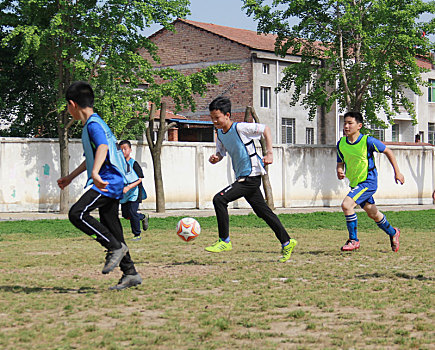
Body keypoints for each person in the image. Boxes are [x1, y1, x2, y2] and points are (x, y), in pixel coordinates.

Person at [57, 81, 142, 290]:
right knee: (111, 224)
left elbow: (103, 147)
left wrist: (95, 173)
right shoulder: (94, 124)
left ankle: (113, 247)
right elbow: (93, 156)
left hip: (109, 180)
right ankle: (130, 273)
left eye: (68, 108)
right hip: (111, 179)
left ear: (72, 104)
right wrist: (71, 177)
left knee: (77, 213)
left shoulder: (93, 124)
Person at [205, 96, 297, 262]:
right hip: (242, 175)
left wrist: (269, 152)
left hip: (251, 176)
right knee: (263, 212)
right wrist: (216, 157)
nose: (215, 121)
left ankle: (224, 240)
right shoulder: (219, 133)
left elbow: (265, 129)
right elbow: (221, 152)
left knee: (219, 199)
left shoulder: (240, 127)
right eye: (212, 118)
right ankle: (287, 241)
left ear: (227, 115)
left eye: (217, 118)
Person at [336, 111, 405, 252]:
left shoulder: (367, 141)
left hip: (368, 182)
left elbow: (388, 151)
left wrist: (397, 172)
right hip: (356, 183)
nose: (346, 126)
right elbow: (340, 162)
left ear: (359, 125)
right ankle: (393, 232)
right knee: (372, 213)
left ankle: (353, 240)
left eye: (350, 123)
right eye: (345, 123)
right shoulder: (341, 143)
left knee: (346, 205)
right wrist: (339, 170)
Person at [119, 140, 149, 241]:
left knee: (132, 212)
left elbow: (139, 179)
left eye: (125, 149)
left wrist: (128, 187)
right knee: (126, 215)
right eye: (121, 149)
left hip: (134, 193)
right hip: (124, 194)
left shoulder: (133, 163)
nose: (123, 151)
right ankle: (143, 217)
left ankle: (137, 235)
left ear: (130, 150)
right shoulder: (118, 165)